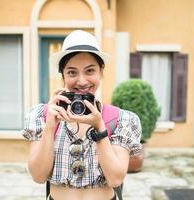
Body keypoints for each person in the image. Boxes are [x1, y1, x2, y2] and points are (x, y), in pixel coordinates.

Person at [22, 30, 142, 200]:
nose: (82, 81)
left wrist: (99, 127)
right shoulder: (41, 115)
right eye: (72, 72)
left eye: (90, 71)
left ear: (101, 72)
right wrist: (50, 125)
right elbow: (38, 176)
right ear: (62, 75)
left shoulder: (119, 119)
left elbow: (115, 179)